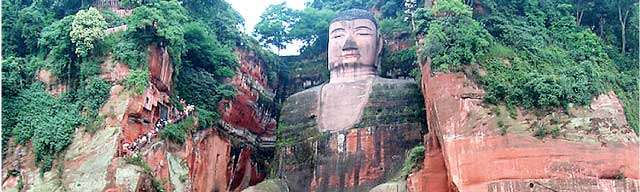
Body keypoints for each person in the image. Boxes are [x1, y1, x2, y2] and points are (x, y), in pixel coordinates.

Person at [273, 9, 425, 191]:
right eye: (338, 35)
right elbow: (281, 178)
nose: (348, 43)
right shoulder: (296, 104)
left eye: (362, 33)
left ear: (379, 45)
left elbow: (415, 164)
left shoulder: (402, 92)